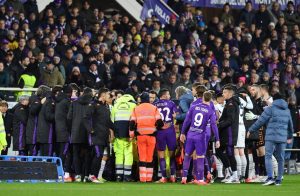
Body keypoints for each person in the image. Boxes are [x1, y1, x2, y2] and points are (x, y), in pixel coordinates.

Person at [248, 93, 293, 186]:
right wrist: (289, 136)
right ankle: (279, 179)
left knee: (268, 156)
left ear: (274, 100)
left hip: (271, 137)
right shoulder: (287, 110)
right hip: (282, 137)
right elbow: (290, 125)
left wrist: (251, 130)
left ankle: (270, 178)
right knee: (280, 158)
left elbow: (260, 121)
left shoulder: (270, 109)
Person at [180, 91, 219, 185]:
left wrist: (182, 133)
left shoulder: (193, 107)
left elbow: (187, 121)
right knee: (200, 156)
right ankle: (200, 179)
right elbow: (213, 125)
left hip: (190, 134)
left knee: (187, 156)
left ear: (202, 98)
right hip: (200, 136)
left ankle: (184, 178)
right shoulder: (210, 110)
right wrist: (217, 139)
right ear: (210, 100)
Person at [129, 92, 163, 182]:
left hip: (140, 136)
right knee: (150, 157)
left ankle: (143, 178)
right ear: (148, 99)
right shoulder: (154, 108)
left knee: (142, 157)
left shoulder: (136, 108)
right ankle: (149, 178)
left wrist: (132, 134)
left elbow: (132, 123)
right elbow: (159, 122)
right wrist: (156, 129)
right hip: (152, 136)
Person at [83, 88, 114, 183]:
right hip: (96, 135)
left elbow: (108, 122)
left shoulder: (106, 107)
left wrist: (116, 130)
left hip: (104, 136)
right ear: (103, 95)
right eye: (108, 94)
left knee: (98, 156)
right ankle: (92, 175)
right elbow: (85, 118)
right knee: (98, 155)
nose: (109, 96)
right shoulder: (93, 104)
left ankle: (89, 175)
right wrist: (90, 130)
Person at [67, 87, 94, 182]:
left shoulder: (74, 103)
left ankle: (78, 175)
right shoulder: (91, 104)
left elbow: (69, 118)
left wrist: (72, 129)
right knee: (87, 155)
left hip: (75, 132)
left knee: (76, 154)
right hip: (88, 132)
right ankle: (86, 175)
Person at [153, 88, 178, 183]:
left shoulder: (154, 105)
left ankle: (163, 177)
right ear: (164, 95)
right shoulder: (171, 103)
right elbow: (176, 115)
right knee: (172, 155)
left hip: (160, 131)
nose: (169, 96)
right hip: (170, 130)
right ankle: (172, 176)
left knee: (161, 155)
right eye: (168, 94)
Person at [217, 85, 240, 183]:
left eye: (225, 92)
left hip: (229, 132)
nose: (223, 94)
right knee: (218, 151)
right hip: (225, 132)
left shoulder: (231, 104)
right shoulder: (229, 103)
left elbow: (230, 120)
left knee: (230, 154)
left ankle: (235, 176)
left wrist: (219, 125)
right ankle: (230, 172)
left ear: (230, 93)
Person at [111, 94, 136, 182]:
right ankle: (127, 176)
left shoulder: (116, 104)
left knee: (119, 154)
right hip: (128, 134)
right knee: (128, 154)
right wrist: (132, 134)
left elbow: (112, 120)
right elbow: (134, 121)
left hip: (117, 134)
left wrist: (112, 133)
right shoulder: (133, 105)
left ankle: (118, 175)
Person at [26, 85, 51, 156]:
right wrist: (40, 103)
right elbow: (32, 111)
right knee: (33, 153)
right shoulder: (34, 99)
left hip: (39, 130)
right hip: (33, 130)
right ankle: (31, 167)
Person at [54, 85, 72, 182]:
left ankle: (59, 173)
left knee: (61, 152)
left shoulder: (58, 101)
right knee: (64, 153)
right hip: (65, 131)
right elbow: (69, 117)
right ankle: (62, 174)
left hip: (59, 130)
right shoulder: (66, 102)